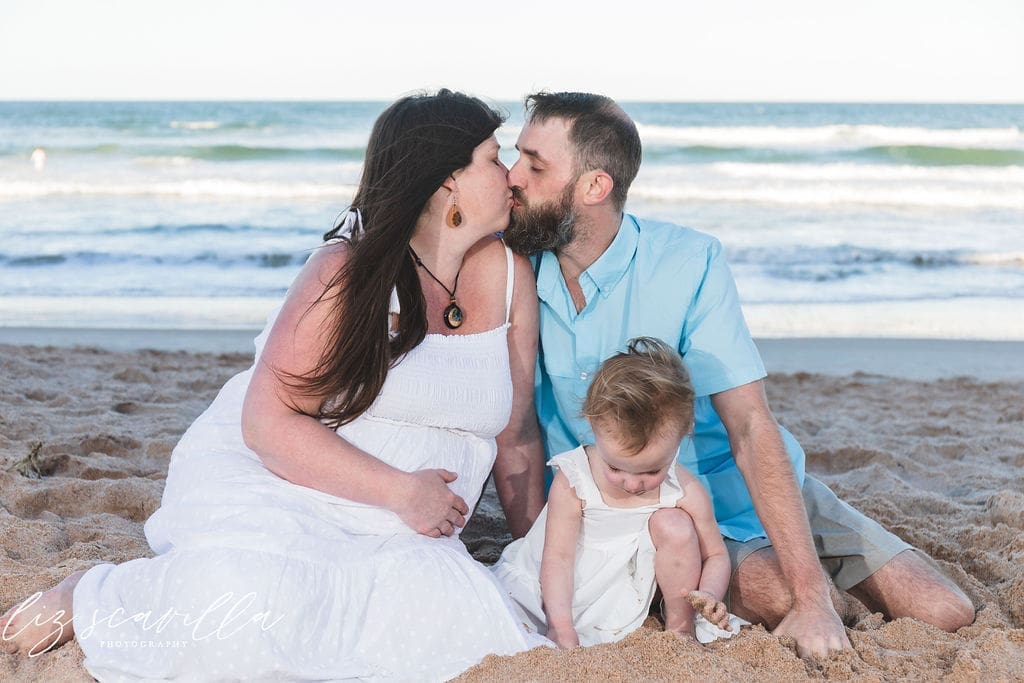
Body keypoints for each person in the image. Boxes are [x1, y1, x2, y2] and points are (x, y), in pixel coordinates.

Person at [0, 89, 549, 680]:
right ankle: (93, 592)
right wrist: (400, 491)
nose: (510, 176)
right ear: (447, 182)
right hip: (294, 486)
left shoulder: (509, 276)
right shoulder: (346, 273)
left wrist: (536, 557)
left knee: (449, 625)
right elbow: (267, 423)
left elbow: (516, 435)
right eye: (493, 158)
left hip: (411, 526)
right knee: (246, 614)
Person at [500, 91, 976, 659]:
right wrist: (542, 548)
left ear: (595, 186)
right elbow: (517, 432)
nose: (512, 176)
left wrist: (814, 600)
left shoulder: (689, 262)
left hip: (746, 484)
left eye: (534, 165)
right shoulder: (512, 270)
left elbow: (750, 424)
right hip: (648, 507)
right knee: (782, 596)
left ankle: (815, 575)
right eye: (515, 156)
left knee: (946, 610)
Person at [492, 337, 745, 649]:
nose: (632, 485)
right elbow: (558, 558)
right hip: (568, 588)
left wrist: (708, 593)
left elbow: (715, 554)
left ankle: (681, 627)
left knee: (675, 525)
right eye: (616, 468)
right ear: (593, 424)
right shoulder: (575, 480)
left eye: (652, 471)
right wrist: (560, 626)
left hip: (629, 584)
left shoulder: (685, 489)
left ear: (684, 432)